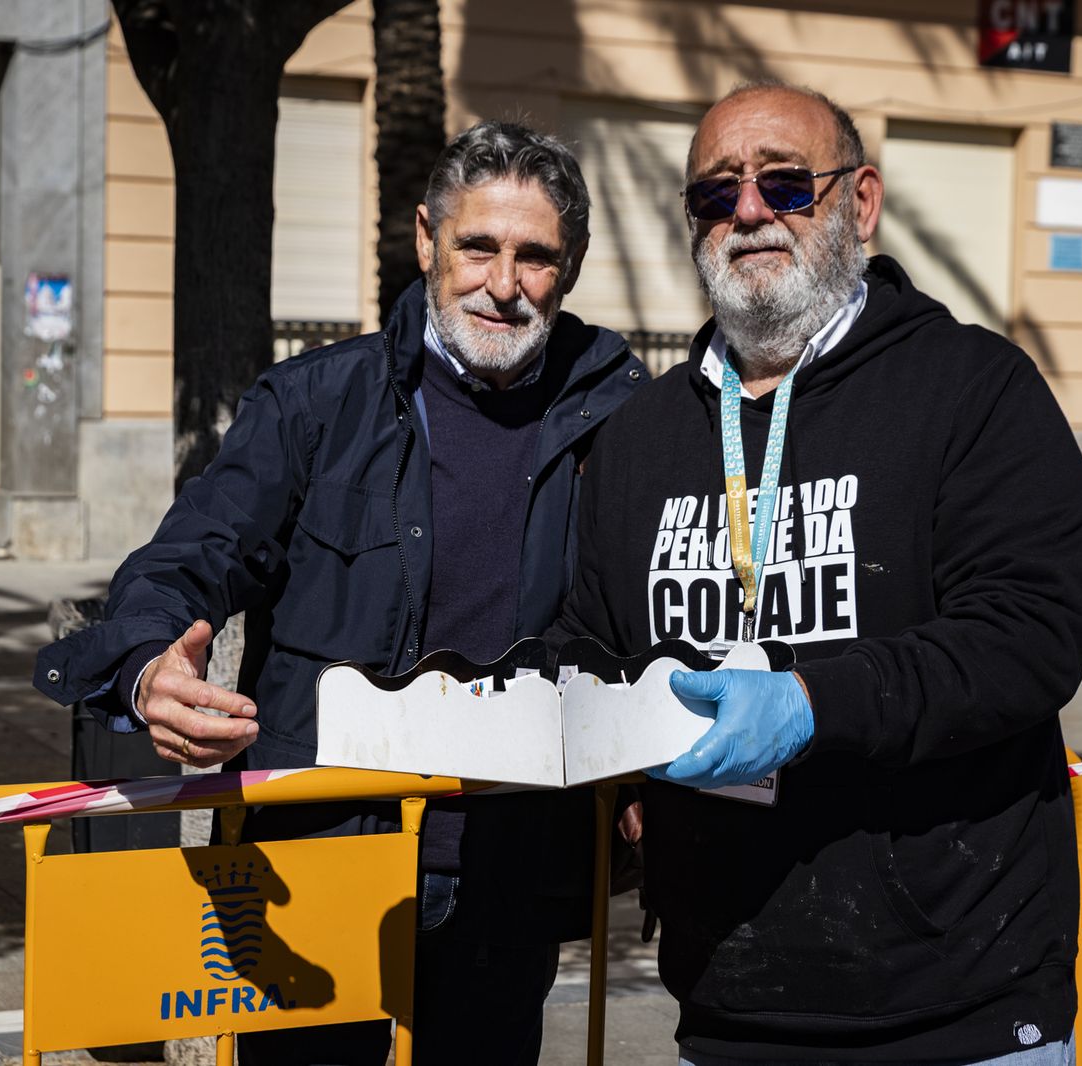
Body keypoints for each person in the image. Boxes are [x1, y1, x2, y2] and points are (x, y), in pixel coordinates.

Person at [34, 121, 645, 1064]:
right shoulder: (316, 402)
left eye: (535, 256)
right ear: (425, 240)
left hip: (507, 882)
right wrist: (146, 664)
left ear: (569, 270)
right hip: (319, 863)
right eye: (478, 245)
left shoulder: (622, 418)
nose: (502, 282)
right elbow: (189, 553)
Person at [547, 81, 1082, 1065]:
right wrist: (621, 753)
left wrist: (812, 702)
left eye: (785, 183)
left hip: (957, 1004)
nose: (749, 211)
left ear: (860, 202)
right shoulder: (639, 437)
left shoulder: (974, 389)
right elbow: (591, 634)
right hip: (728, 1004)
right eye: (716, 194)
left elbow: (1030, 632)